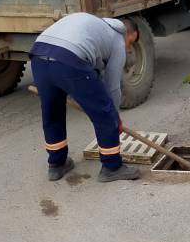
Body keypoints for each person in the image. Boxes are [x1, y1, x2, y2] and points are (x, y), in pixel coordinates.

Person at [30, 13, 141, 182]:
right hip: (69, 59)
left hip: (38, 56)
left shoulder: (94, 26)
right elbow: (112, 87)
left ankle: (57, 164)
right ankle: (112, 167)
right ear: (127, 33)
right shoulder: (117, 39)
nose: (127, 48)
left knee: (53, 114)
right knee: (104, 111)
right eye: (131, 43)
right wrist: (114, 118)